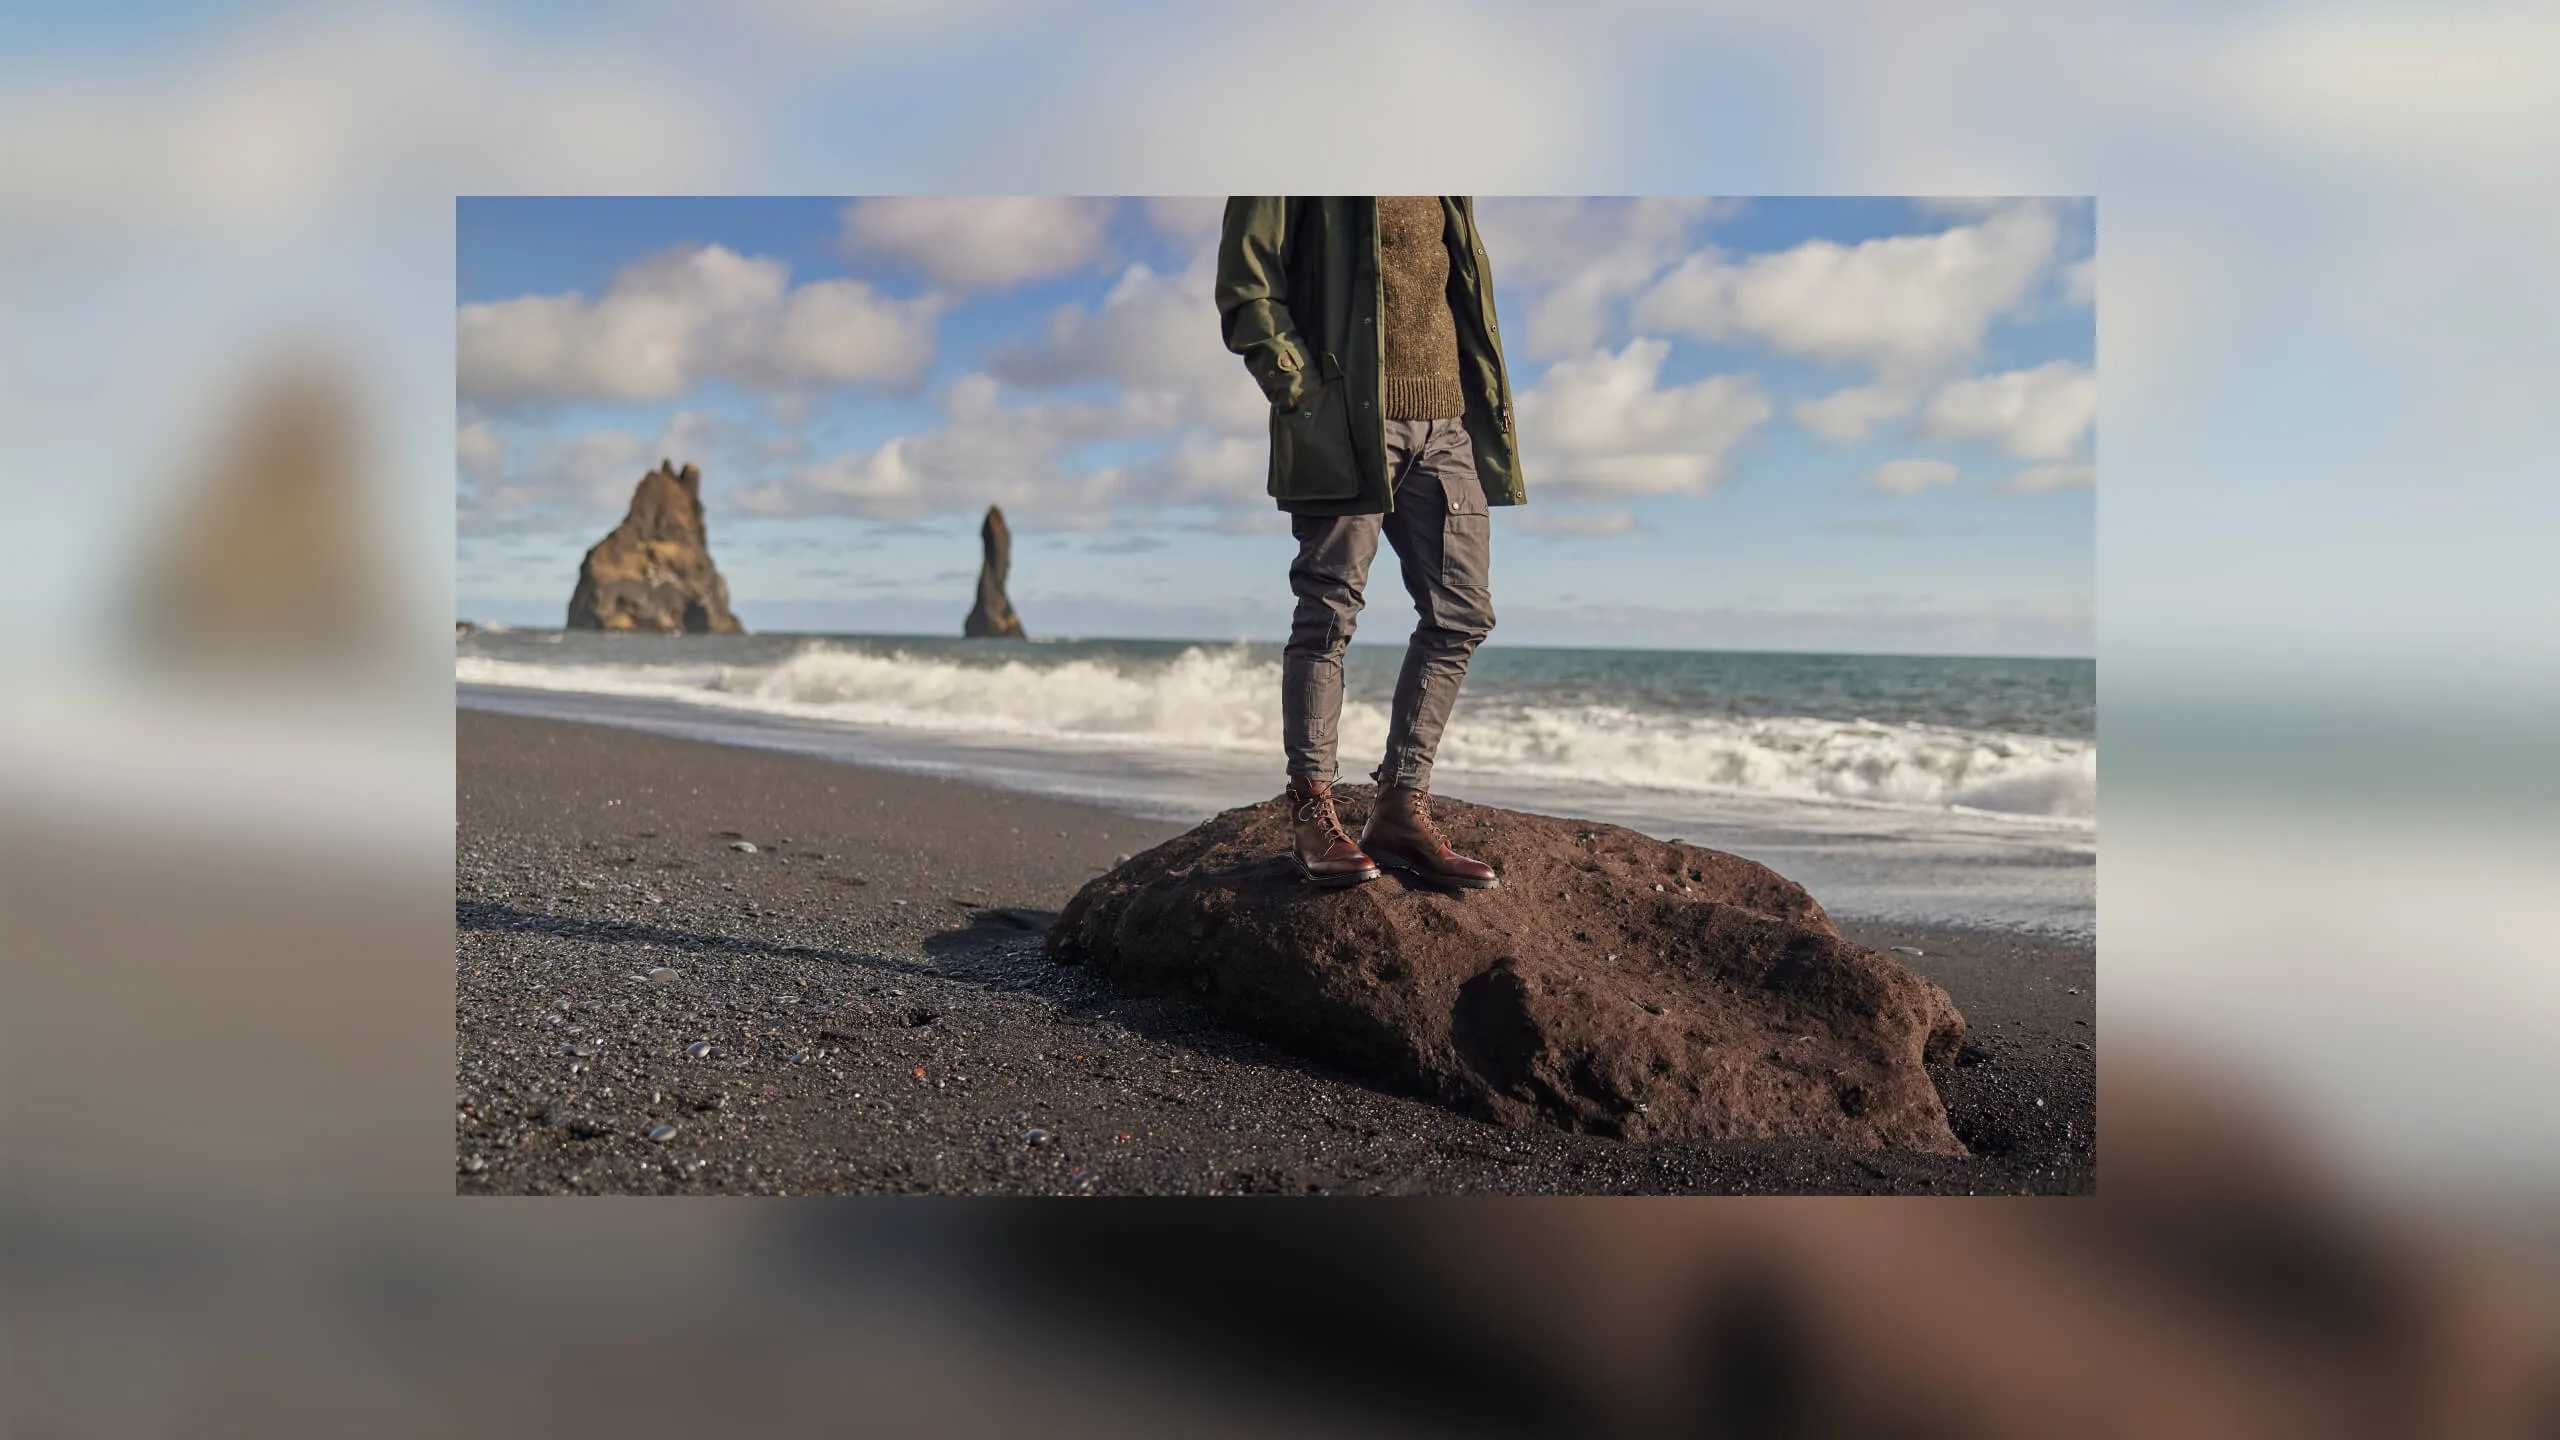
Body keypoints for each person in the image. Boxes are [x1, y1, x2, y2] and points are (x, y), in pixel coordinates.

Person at [1216, 197, 1525, 890]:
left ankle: (1400, 806)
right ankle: (1310, 807)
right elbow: (1246, 282)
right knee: (1328, 610)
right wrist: (1299, 389)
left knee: (1462, 615)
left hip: (1447, 425)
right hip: (1345, 417)